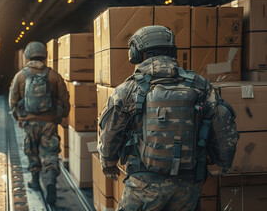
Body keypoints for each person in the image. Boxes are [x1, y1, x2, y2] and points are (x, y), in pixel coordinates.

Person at [97, 25, 239, 211]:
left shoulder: (128, 89)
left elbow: (110, 132)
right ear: (172, 51)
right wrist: (224, 162)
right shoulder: (200, 85)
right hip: (189, 184)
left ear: (136, 53)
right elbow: (223, 122)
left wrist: (108, 163)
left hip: (144, 185)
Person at [9, 41, 70, 205]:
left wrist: (19, 118)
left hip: (29, 123)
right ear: (45, 55)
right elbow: (64, 99)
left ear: (28, 55)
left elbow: (13, 101)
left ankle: (35, 181)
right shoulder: (54, 76)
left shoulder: (21, 76)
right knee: (50, 152)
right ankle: (50, 180)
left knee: (32, 151)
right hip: (49, 123)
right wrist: (62, 115)